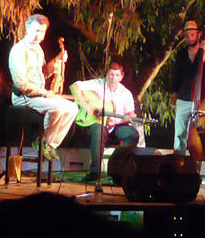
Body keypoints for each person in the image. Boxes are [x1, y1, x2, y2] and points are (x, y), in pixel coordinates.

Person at [8, 14, 78, 161]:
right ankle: (42, 144)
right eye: (35, 30)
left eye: (41, 32)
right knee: (57, 108)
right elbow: (22, 85)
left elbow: (43, 72)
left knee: (72, 108)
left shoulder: (38, 49)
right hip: (24, 97)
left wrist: (57, 60)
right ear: (27, 28)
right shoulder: (19, 50)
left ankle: (50, 144)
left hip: (37, 95)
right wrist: (45, 92)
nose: (37, 35)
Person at [70, 62, 139, 181]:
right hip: (97, 123)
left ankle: (118, 166)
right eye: (111, 74)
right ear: (107, 74)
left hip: (116, 125)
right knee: (98, 129)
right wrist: (87, 107)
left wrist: (130, 117)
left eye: (117, 75)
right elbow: (74, 86)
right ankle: (94, 172)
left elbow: (129, 113)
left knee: (132, 134)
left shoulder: (126, 93)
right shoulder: (97, 84)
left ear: (121, 77)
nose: (113, 78)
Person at [171, 20, 205, 155]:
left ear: (198, 35)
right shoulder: (181, 54)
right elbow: (176, 75)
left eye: (193, 35)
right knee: (179, 135)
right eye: (187, 35)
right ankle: (178, 164)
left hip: (202, 102)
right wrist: (174, 95)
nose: (190, 38)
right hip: (184, 98)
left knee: (200, 136)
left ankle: (196, 167)